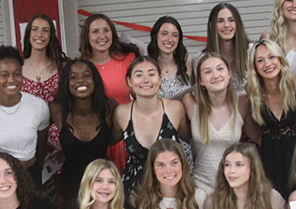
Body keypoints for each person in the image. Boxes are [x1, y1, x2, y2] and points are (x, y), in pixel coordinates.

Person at [0, 46, 50, 188]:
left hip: (31, 176)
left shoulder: (39, 107)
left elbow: (42, 148)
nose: (11, 80)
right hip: (0, 182)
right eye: (4, 75)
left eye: (17, 74)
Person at [113, 56, 191, 193]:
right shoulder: (121, 113)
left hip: (170, 188)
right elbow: (107, 141)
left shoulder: (176, 109)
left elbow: (189, 139)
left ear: (160, 79)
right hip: (134, 191)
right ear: (129, 82)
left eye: (151, 74)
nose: (146, 80)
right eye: (139, 75)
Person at [50, 59, 117, 201]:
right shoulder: (56, 109)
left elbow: (115, 137)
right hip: (71, 183)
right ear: (66, 83)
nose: (80, 80)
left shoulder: (110, 107)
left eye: (86, 75)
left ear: (95, 80)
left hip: (103, 182)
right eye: (73, 77)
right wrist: (67, 146)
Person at [79, 13, 139, 171]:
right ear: (87, 36)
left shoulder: (128, 60)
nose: (101, 36)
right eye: (95, 31)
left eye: (106, 30)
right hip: (95, 137)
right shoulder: (80, 67)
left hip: (128, 134)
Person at [182, 53, 248, 194]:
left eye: (220, 69)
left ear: (229, 73)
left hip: (232, 186)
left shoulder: (242, 102)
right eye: (208, 72)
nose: (215, 75)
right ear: (200, 80)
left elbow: (257, 137)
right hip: (200, 186)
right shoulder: (190, 102)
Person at [246, 39, 296, 199]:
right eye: (260, 60)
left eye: (272, 57)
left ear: (280, 59)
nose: (267, 64)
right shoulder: (252, 92)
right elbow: (250, 127)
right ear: (255, 66)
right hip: (270, 157)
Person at [195, 3, 250, 93]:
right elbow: (200, 94)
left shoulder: (252, 52)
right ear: (211, 26)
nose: (226, 25)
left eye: (231, 20)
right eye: (220, 21)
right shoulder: (200, 59)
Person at [22, 14, 66, 103]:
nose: (39, 34)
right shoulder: (17, 67)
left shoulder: (61, 66)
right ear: (28, 33)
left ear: (51, 36)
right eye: (35, 29)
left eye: (45, 30)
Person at [146, 16, 192, 98]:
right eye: (164, 34)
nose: (170, 39)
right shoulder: (145, 64)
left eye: (175, 35)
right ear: (155, 36)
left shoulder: (187, 61)